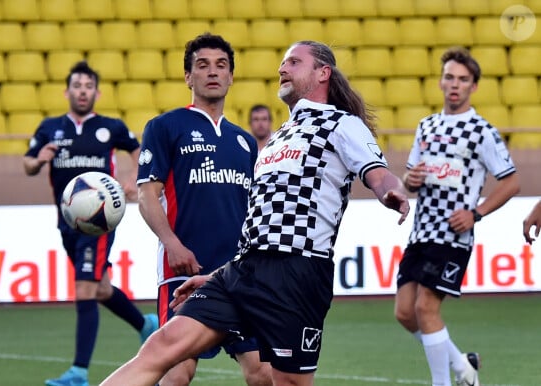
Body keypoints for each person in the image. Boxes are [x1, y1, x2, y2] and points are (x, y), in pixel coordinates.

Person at [100, 40, 409, 386]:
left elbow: (378, 172)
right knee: (161, 348)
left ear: (323, 73)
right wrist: (222, 274)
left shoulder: (341, 124)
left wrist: (389, 191)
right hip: (241, 272)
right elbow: (259, 221)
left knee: (280, 381)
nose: (281, 69)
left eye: (293, 62)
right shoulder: (277, 139)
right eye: (282, 63)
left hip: (296, 271)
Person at [136, 33, 271, 386]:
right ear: (188, 77)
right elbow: (147, 195)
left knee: (264, 373)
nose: (212, 72)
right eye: (202, 65)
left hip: (238, 276)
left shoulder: (244, 142)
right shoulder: (165, 127)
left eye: (221, 65)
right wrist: (172, 243)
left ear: (231, 77)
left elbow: (256, 209)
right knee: (179, 370)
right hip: (184, 272)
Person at [23, 61, 159, 386]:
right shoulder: (50, 128)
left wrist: (132, 180)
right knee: (100, 289)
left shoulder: (110, 127)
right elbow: (27, 162)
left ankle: (78, 373)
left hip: (99, 220)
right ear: (67, 91)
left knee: (84, 289)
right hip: (67, 222)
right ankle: (146, 325)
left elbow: (138, 150)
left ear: (96, 92)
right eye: (77, 86)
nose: (82, 91)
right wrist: (37, 159)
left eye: (88, 87)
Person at [394, 47, 520, 386]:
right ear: (440, 82)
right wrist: (410, 181)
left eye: (463, 80)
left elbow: (511, 182)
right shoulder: (426, 126)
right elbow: (410, 181)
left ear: (473, 87)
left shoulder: (482, 131)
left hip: (453, 234)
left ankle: (445, 382)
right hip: (421, 232)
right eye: (450, 77)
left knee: (426, 308)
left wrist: (476, 213)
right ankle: (463, 365)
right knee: (404, 313)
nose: (455, 84)